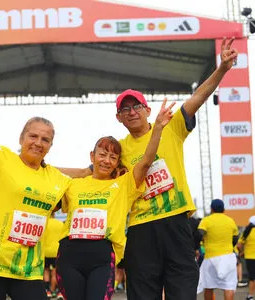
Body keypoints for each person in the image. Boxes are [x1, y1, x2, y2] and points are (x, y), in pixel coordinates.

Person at [114, 37, 238, 300]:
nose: (132, 112)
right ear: (119, 118)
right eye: (125, 109)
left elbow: (199, 96)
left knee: (182, 291)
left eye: (136, 106)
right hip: (140, 227)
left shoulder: (171, 128)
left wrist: (222, 68)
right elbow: (95, 173)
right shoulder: (119, 149)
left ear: (147, 110)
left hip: (176, 224)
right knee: (143, 293)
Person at [0, 65, 72, 300]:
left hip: (28, 268)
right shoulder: (1, 158)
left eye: (45, 139)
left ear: (50, 146)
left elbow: (82, 179)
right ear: (21, 138)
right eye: (33, 136)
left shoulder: (55, 178)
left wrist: (90, 169)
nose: (38, 142)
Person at [56, 100, 175, 300]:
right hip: (69, 254)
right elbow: (49, 175)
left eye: (113, 157)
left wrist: (158, 130)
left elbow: (146, 161)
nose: (106, 161)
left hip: (102, 255)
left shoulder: (123, 184)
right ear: (92, 156)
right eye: (102, 155)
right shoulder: (73, 185)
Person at [197, 199, 239, 300]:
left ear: (211, 209)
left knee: (208, 285)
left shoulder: (206, 220)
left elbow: (199, 235)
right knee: (229, 285)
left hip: (210, 258)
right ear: (224, 209)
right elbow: (235, 238)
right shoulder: (231, 221)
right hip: (228, 257)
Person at [43, 213, 64, 299]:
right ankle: (56, 291)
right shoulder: (60, 224)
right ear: (54, 214)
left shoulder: (45, 223)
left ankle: (48, 291)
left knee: (46, 270)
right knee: (55, 272)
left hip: (46, 251)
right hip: (56, 251)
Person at [236, 216, 255, 300]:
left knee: (252, 277)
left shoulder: (247, 232)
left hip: (250, 257)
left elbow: (239, 245)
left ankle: (250, 296)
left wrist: (242, 252)